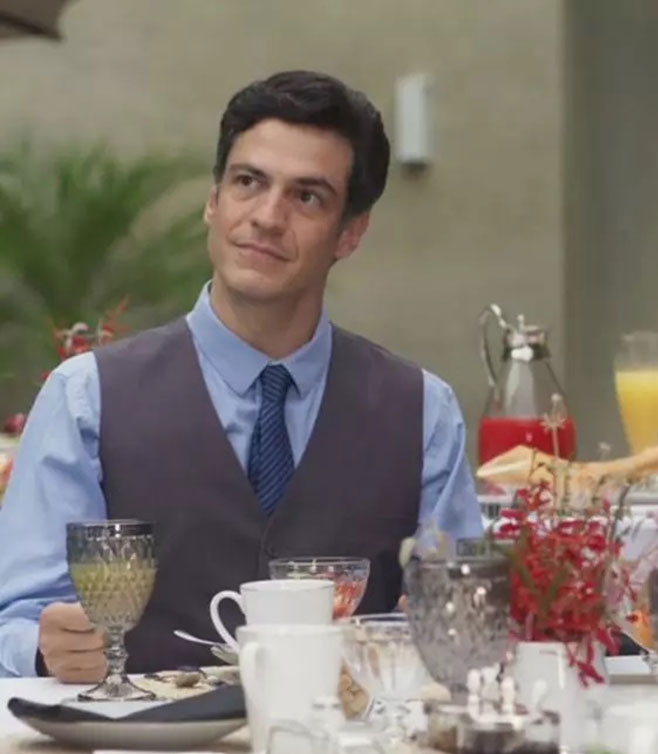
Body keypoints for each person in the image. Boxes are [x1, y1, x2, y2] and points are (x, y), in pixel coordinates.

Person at [0, 70, 483, 681]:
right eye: (249, 182)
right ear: (214, 201)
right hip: (136, 740)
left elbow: (464, 621)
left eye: (308, 197)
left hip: (341, 739)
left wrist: (448, 635)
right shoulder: (84, 398)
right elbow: (16, 621)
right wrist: (43, 649)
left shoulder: (422, 411)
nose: (268, 216)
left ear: (351, 233)